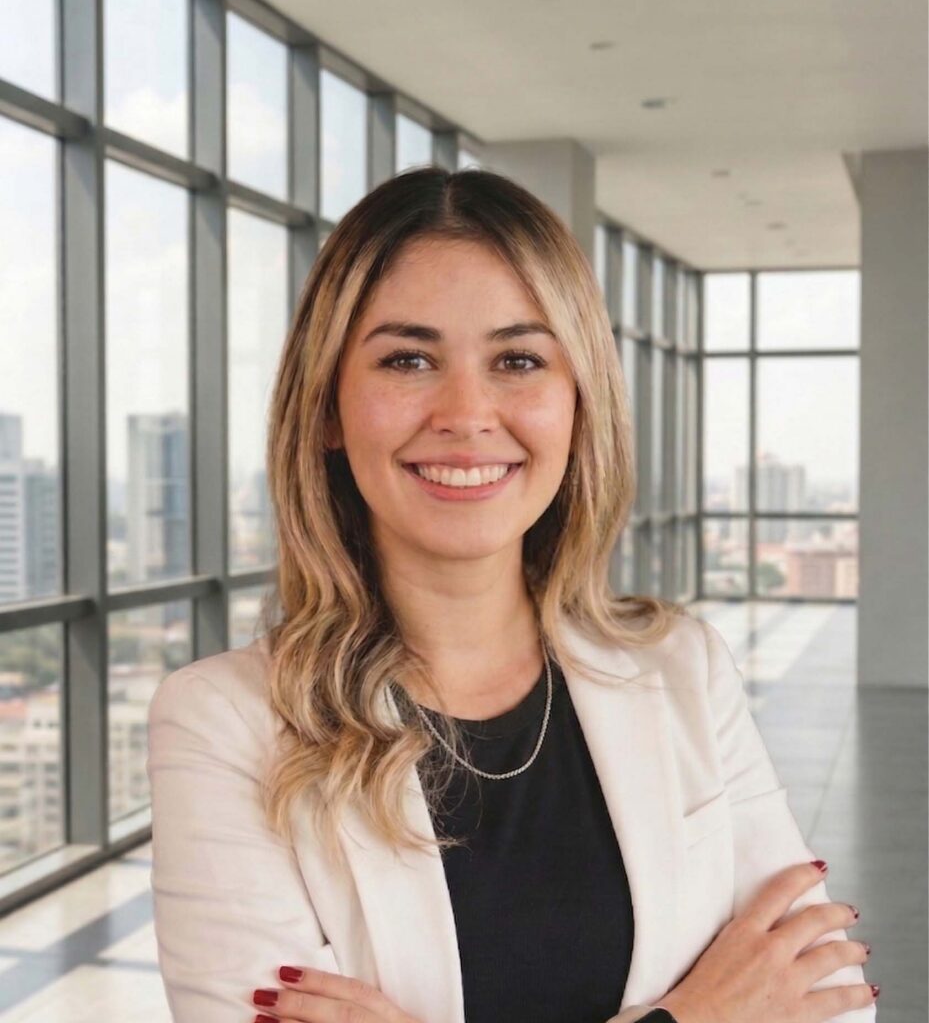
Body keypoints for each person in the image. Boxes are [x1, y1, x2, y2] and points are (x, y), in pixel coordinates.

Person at [146, 167, 877, 1023]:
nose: (466, 411)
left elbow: (825, 1004)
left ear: (577, 402)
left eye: (518, 360)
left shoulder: (680, 667)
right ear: (327, 411)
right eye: (407, 359)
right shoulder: (222, 723)